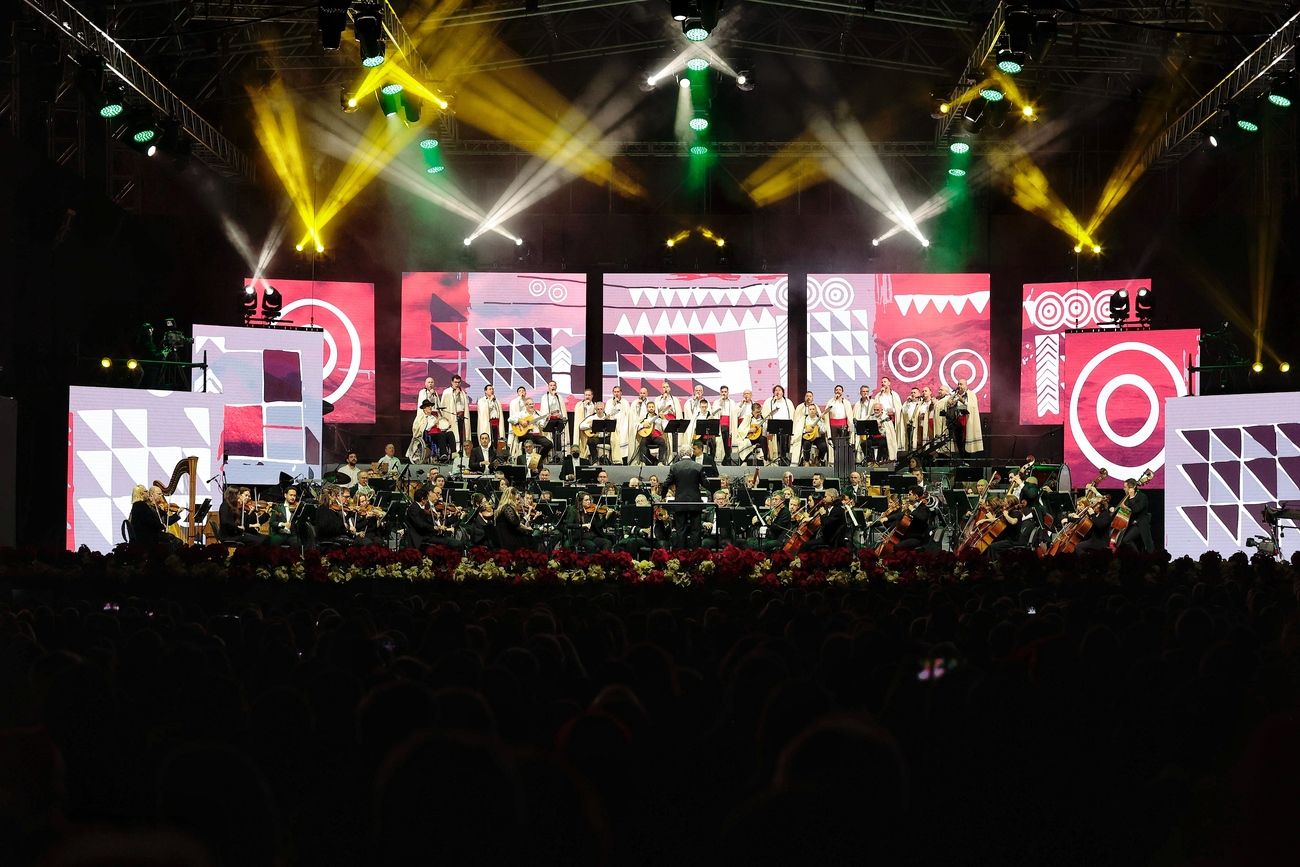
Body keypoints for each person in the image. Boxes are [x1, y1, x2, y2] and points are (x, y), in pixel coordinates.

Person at [665, 445, 708, 548]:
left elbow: (667, 483)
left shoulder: (674, 467)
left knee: (680, 529)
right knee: (695, 530)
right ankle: (696, 554)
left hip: (680, 502)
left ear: (680, 455)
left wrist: (663, 495)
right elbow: (706, 484)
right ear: (691, 453)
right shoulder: (698, 466)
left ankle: (681, 554)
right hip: (695, 502)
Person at [1112, 477, 1152, 551]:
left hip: (1140, 523)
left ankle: (1136, 557)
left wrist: (1132, 497)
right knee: (1120, 542)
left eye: (1125, 487)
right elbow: (1124, 511)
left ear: (1131, 488)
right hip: (1129, 523)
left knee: (1126, 540)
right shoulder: (1127, 498)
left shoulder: (1142, 496)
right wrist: (1114, 509)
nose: (1123, 489)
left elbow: (1136, 510)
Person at [510, 397, 553, 461]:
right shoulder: (521, 413)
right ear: (526, 405)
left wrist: (546, 419)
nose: (532, 405)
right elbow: (510, 419)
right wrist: (520, 421)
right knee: (529, 442)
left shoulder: (537, 414)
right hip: (525, 435)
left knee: (549, 444)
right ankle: (525, 461)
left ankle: (538, 460)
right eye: (530, 404)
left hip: (536, 435)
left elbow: (542, 425)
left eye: (532, 404)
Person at [763, 385, 796, 466]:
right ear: (773, 392)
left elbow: (792, 413)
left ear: (783, 392)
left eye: (779, 390)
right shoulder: (769, 401)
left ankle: (783, 457)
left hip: (785, 425)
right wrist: (774, 402)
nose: (777, 392)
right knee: (774, 442)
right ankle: (774, 459)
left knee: (783, 439)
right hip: (773, 425)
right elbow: (765, 414)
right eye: (776, 390)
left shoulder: (788, 401)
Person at [494, 486, 535, 551]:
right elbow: (516, 524)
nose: (519, 501)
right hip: (507, 539)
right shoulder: (507, 508)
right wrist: (527, 529)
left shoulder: (506, 507)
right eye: (517, 498)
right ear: (511, 497)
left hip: (508, 536)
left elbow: (516, 523)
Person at [793, 391, 827, 466]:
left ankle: (818, 459)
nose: (812, 411)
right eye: (810, 409)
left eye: (813, 409)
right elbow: (799, 429)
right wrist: (805, 430)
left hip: (817, 437)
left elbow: (824, 430)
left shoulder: (819, 419)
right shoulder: (804, 419)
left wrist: (819, 427)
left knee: (824, 446)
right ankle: (807, 461)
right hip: (807, 437)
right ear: (808, 411)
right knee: (806, 444)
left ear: (816, 410)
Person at [441, 374, 469, 457]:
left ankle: (462, 451)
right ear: (452, 382)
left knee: (461, 435)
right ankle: (453, 453)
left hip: (461, 416)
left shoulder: (462, 392)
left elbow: (464, 405)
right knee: (453, 435)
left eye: (459, 382)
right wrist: (456, 395)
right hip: (452, 417)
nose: (457, 384)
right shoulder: (447, 392)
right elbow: (444, 406)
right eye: (455, 382)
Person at [606, 385, 633, 465]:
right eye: (615, 392)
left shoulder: (625, 402)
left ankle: (624, 462)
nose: (616, 393)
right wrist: (614, 405)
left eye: (618, 392)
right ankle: (615, 461)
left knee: (624, 444)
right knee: (614, 443)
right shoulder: (609, 402)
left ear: (621, 393)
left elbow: (628, 414)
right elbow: (607, 414)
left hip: (623, 426)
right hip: (614, 427)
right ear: (612, 393)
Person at [713, 385, 737, 465]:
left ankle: (727, 460)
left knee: (728, 444)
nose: (724, 393)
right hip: (720, 425)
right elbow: (714, 413)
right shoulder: (717, 402)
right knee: (720, 443)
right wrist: (721, 403)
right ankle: (721, 460)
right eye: (722, 392)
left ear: (728, 392)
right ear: (720, 392)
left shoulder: (732, 402)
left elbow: (734, 414)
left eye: (725, 392)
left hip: (729, 425)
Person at [477, 385, 504, 450]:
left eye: (492, 389)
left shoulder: (496, 400)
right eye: (490, 389)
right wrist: (490, 400)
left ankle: (498, 452)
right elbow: (483, 411)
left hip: (496, 422)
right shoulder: (481, 400)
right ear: (485, 391)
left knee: (496, 439)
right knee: (489, 438)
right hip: (488, 422)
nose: (492, 390)